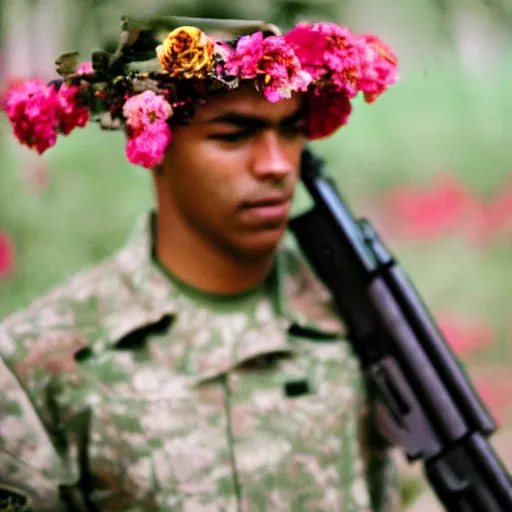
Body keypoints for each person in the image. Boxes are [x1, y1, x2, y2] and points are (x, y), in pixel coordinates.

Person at [0, 15, 403, 511]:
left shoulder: (358, 318)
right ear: (153, 140)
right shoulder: (40, 361)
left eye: (292, 130)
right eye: (234, 135)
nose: (277, 164)